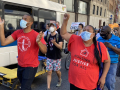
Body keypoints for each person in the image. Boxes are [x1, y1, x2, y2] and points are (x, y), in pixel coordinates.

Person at [60, 13, 110, 90]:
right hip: (74, 82)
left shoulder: (100, 46)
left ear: (93, 34)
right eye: (84, 30)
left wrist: (103, 77)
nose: (85, 32)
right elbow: (63, 33)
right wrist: (65, 21)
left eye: (88, 30)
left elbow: (107, 62)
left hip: (89, 85)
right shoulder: (75, 39)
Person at [0, 15, 47, 90]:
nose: (22, 20)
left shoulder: (36, 35)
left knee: (24, 88)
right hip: (20, 65)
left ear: (31, 23)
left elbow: (44, 50)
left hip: (31, 66)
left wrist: (38, 42)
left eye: (25, 19)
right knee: (26, 87)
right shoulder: (17, 33)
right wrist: (1, 26)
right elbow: (3, 42)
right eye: (22, 18)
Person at [97, 26, 120, 90]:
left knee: (109, 82)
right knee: (100, 81)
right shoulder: (99, 39)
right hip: (101, 63)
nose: (101, 33)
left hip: (112, 63)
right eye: (101, 31)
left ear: (108, 33)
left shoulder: (117, 39)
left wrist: (111, 47)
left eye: (103, 31)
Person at [44, 23, 63, 90]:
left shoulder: (59, 36)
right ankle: (48, 88)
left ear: (56, 28)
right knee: (49, 72)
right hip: (49, 57)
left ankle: (59, 79)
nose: (51, 27)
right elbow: (44, 44)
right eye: (50, 26)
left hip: (57, 57)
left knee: (57, 71)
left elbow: (60, 47)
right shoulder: (47, 36)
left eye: (53, 26)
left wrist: (54, 43)